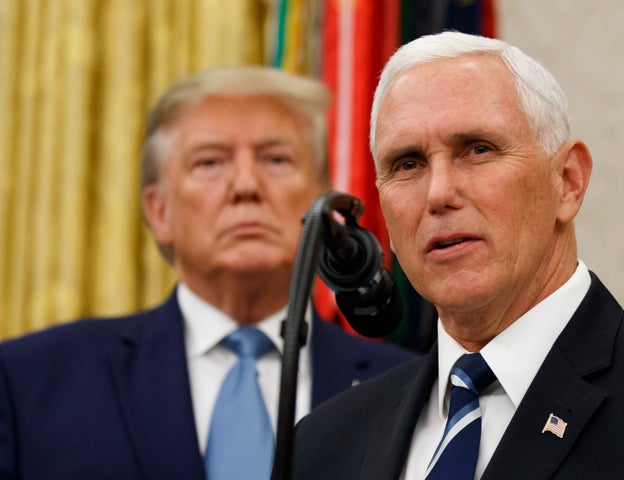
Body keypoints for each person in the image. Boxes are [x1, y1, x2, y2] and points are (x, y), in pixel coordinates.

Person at [291, 31, 624, 480]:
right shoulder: (323, 444)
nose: (438, 194)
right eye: (408, 164)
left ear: (568, 182)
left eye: (478, 150)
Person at [0, 66, 417, 480]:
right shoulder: (31, 380)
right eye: (210, 162)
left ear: (323, 201)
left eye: (276, 159)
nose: (245, 184)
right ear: (159, 211)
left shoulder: (412, 390)